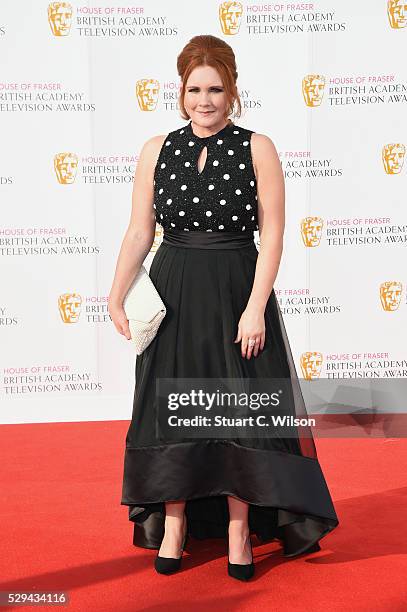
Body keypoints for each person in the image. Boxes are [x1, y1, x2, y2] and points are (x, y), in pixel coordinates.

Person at [108, 34, 339, 581]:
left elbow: (274, 233)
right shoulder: (155, 149)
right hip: (173, 292)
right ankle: (174, 524)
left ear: (232, 91)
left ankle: (239, 529)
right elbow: (141, 231)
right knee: (174, 408)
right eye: (194, 89)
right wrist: (115, 294)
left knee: (240, 412)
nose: (204, 100)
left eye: (215, 89)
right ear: (181, 90)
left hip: (237, 287)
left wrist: (256, 306)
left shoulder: (257, 146)